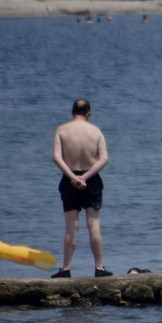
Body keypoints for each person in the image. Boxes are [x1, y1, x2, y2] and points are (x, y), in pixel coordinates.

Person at [51, 99, 111, 278]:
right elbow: (104, 159)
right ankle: (99, 268)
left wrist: (73, 177)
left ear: (72, 112)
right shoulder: (96, 132)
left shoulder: (62, 131)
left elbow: (56, 158)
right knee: (93, 224)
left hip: (69, 180)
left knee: (71, 226)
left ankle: (66, 268)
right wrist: (85, 177)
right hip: (91, 180)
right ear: (88, 113)